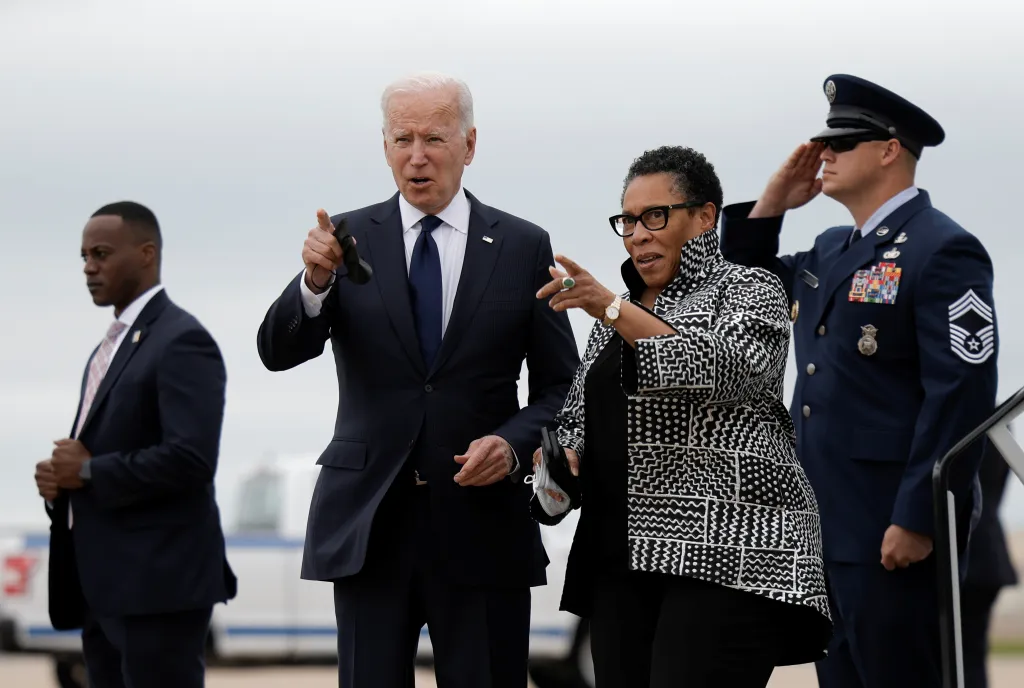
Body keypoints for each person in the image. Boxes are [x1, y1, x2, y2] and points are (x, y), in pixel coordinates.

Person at [255, 71, 580, 688]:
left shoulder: (521, 244)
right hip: (370, 525)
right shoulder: (343, 240)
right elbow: (276, 351)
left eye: (434, 137)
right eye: (402, 139)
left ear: (470, 144)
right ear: (384, 147)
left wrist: (512, 445)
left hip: (482, 525)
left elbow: (563, 388)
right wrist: (314, 284)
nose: (417, 155)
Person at [720, 74, 1000, 688]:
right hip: (823, 524)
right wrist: (769, 206)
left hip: (891, 529)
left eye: (840, 145)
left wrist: (921, 516)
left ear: (889, 149)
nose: (825, 156)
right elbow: (740, 294)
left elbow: (962, 395)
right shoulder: (828, 249)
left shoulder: (943, 249)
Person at [529, 145, 832, 688]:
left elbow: (727, 367)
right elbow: (578, 414)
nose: (638, 234)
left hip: (728, 552)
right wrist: (564, 454)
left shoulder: (749, 288)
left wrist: (615, 310)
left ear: (705, 217)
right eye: (628, 220)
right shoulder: (612, 313)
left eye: (655, 216)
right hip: (618, 555)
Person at [33, 201, 237, 688]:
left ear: (147, 254)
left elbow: (191, 459)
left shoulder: (182, 341)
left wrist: (86, 472)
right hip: (103, 587)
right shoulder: (110, 346)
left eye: (101, 253)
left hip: (158, 589)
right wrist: (61, 483)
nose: (89, 267)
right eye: (83, 256)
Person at [962, 428, 1019, 688]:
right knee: (971, 656)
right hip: (989, 552)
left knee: (960, 656)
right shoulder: (999, 428)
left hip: (966, 553)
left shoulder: (955, 422)